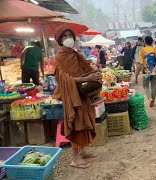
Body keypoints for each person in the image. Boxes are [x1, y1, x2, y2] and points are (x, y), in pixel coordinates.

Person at [53, 25, 102, 169]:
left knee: (87, 119)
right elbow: (64, 79)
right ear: (60, 40)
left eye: (70, 36)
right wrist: (84, 79)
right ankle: (75, 158)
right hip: (71, 95)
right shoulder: (60, 56)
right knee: (77, 123)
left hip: (82, 93)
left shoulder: (74, 54)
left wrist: (94, 74)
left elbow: (84, 69)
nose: (68, 39)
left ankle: (83, 151)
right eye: (64, 36)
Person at [139, 36, 156, 107]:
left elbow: (142, 61)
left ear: (145, 42)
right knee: (154, 86)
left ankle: (149, 98)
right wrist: (154, 69)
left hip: (146, 72)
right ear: (152, 42)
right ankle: (153, 100)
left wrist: (147, 69)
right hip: (155, 71)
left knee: (145, 85)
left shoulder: (142, 50)